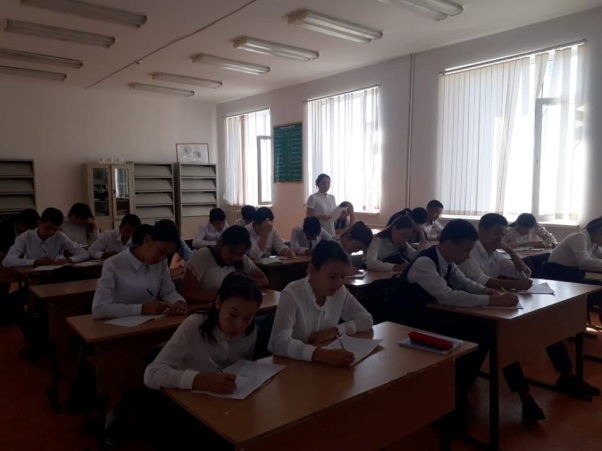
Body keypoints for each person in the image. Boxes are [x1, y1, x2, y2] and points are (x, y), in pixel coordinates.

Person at [145, 272, 262, 390]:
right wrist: (199, 381)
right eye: (233, 314)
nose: (239, 325)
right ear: (218, 302)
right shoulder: (195, 325)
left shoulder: (250, 331)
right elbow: (152, 374)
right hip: (188, 397)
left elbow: (246, 370)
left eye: (248, 318)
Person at [268, 240, 373, 367]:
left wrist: (335, 330)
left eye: (342, 277)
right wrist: (321, 355)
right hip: (293, 366)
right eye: (332, 276)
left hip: (321, 366)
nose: (338, 283)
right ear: (312, 269)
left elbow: (366, 319)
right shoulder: (292, 293)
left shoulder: (340, 291)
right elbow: (279, 342)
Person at [91, 221, 187, 319]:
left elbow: (168, 291)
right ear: (147, 239)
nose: (162, 258)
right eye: (161, 251)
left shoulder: (161, 263)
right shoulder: (112, 264)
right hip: (117, 324)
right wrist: (142, 309)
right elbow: (99, 309)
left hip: (150, 322)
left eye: (166, 255)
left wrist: (178, 302)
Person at [179, 225, 269, 304]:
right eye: (231, 252)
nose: (235, 257)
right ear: (220, 243)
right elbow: (187, 292)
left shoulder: (242, 259)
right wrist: (225, 295)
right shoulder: (204, 255)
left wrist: (243, 288)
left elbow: (263, 279)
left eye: (241, 254)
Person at [2, 207, 89, 267]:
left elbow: (84, 254)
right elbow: (7, 261)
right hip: (34, 277)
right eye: (48, 228)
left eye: (54, 229)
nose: (51, 233)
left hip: (56, 277)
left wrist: (69, 260)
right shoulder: (25, 237)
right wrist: (35, 262)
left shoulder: (60, 236)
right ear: (39, 223)